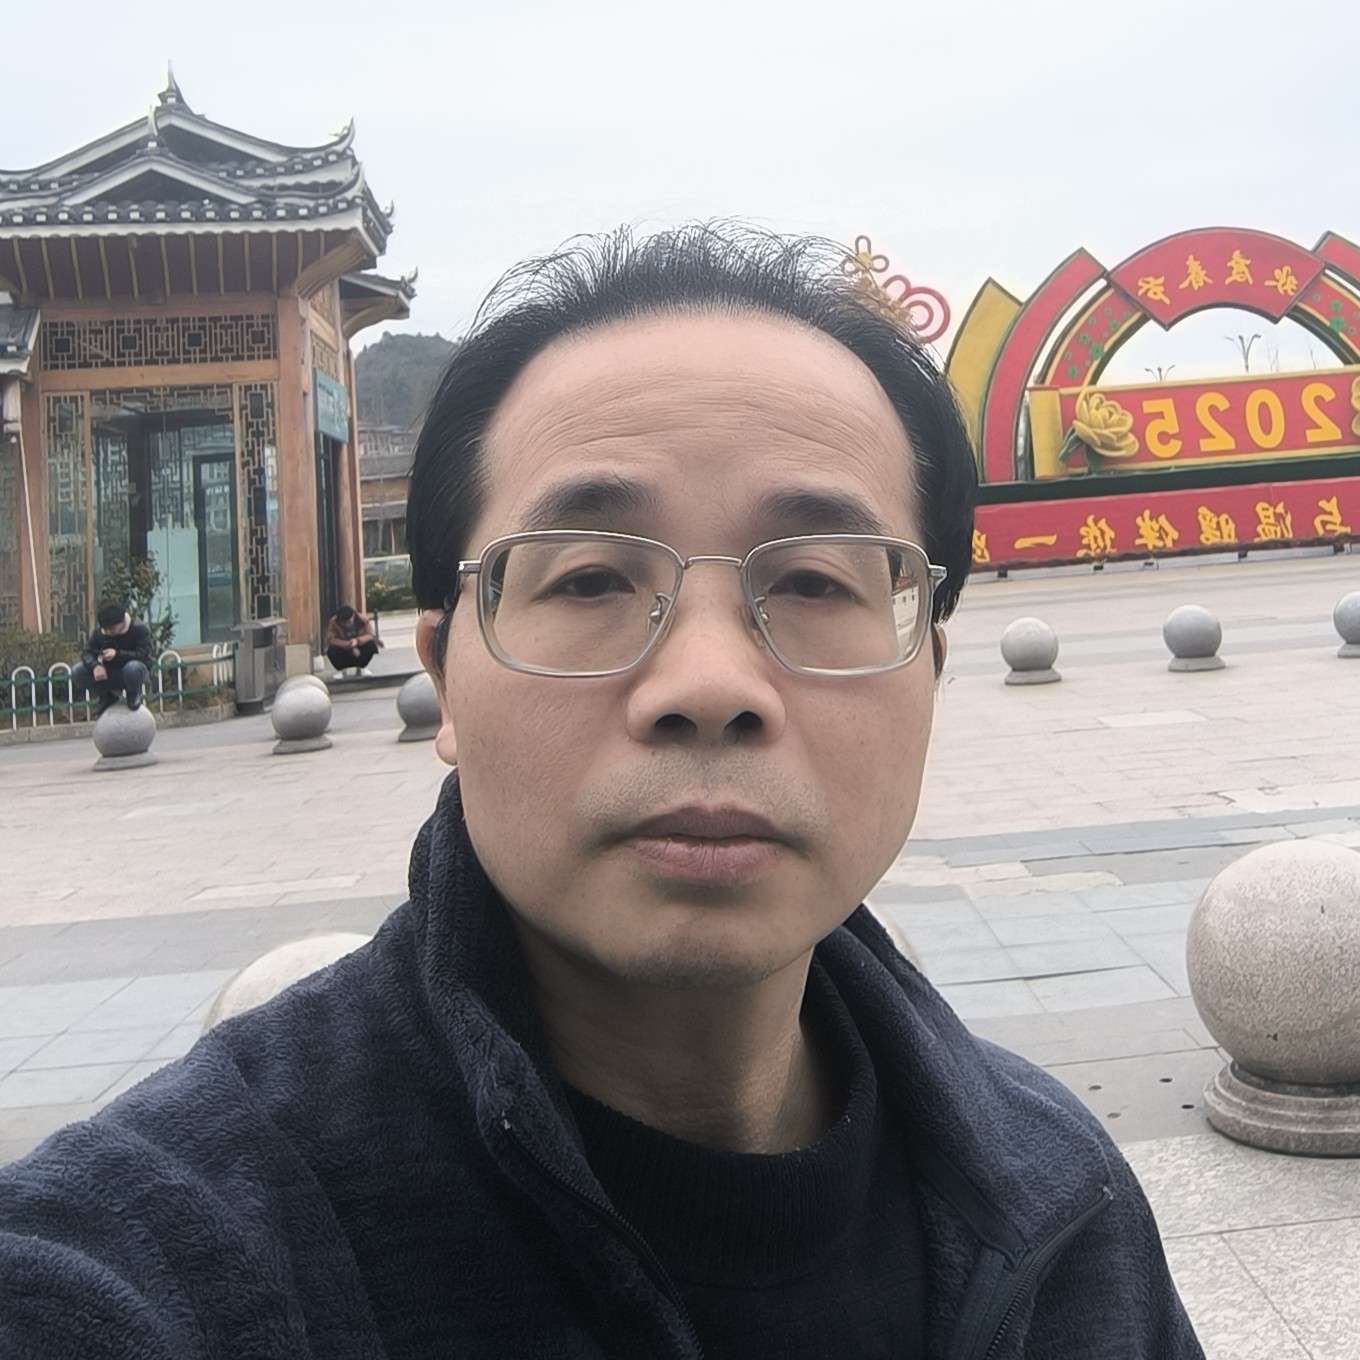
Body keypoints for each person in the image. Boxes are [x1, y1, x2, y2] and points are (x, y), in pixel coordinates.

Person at [0, 225, 1204, 1359]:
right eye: (585, 579)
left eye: (816, 581)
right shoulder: (149, 1258)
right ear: (446, 678)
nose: (709, 685)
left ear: (929, 669)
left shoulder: (1066, 1206)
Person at [70, 599, 154, 715]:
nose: (109, 632)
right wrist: (95, 665)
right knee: (77, 671)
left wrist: (117, 654)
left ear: (122, 621)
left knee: (133, 667)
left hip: (131, 672)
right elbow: (87, 652)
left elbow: (143, 655)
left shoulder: (138, 629)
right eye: (106, 629)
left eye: (112, 628)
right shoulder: (100, 633)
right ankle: (105, 696)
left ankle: (133, 694)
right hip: (108, 672)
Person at [324, 602, 381, 676]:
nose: (346, 624)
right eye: (344, 622)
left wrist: (357, 641)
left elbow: (370, 635)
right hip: (343, 647)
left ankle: (362, 667)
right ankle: (342, 670)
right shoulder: (334, 622)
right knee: (331, 650)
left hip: (360, 646)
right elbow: (330, 639)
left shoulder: (362, 620)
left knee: (371, 645)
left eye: (348, 621)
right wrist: (349, 645)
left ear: (353, 616)